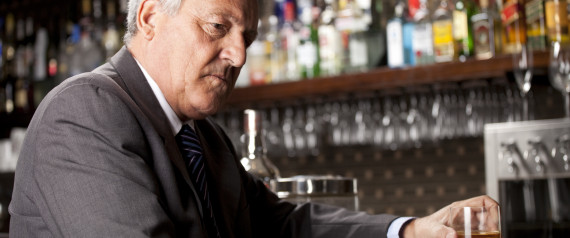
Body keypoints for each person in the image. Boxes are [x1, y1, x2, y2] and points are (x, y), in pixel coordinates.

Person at [9, 0, 499, 237]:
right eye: (218, 27)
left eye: (249, 35)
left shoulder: (203, 138)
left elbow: (283, 227)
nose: (239, 53)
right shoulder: (84, 114)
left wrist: (410, 231)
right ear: (151, 18)